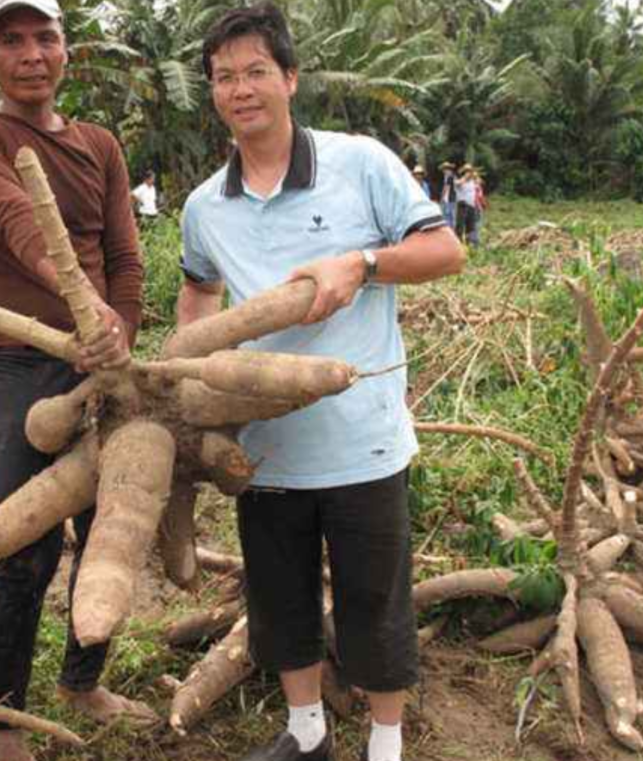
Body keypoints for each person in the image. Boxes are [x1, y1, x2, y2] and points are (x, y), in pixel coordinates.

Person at [176, 4, 465, 761]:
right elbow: (199, 291)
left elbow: (444, 250)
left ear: (291, 79)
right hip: (266, 447)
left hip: (363, 438)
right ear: (212, 91)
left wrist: (360, 263)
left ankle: (386, 740)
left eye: (256, 72)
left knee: (377, 603)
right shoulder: (205, 206)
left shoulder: (360, 162)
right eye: (224, 77)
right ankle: (307, 732)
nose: (241, 89)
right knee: (280, 601)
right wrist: (184, 369)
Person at [0, 1, 156, 759]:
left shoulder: (98, 143)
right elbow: (15, 217)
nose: (33, 54)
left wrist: (117, 325)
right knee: (25, 544)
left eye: (47, 38)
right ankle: (4, 726)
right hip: (22, 361)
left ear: (66, 51)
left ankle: (79, 681)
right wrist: (81, 301)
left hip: (106, 360)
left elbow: (125, 256)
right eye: (14, 40)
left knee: (110, 536)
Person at [454, 164, 479, 245]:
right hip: (463, 205)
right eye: (467, 172)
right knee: (460, 226)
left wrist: (474, 177)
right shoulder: (459, 181)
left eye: (470, 172)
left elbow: (479, 182)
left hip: (472, 206)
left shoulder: (473, 182)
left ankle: (470, 243)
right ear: (464, 173)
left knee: (471, 226)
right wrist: (465, 177)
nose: (469, 173)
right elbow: (458, 183)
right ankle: (458, 243)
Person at [438, 160, 456, 228]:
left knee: (449, 215)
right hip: (449, 198)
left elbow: (446, 188)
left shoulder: (450, 176)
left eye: (444, 169)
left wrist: (441, 198)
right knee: (448, 215)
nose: (443, 170)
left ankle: (451, 229)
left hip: (450, 198)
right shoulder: (448, 176)